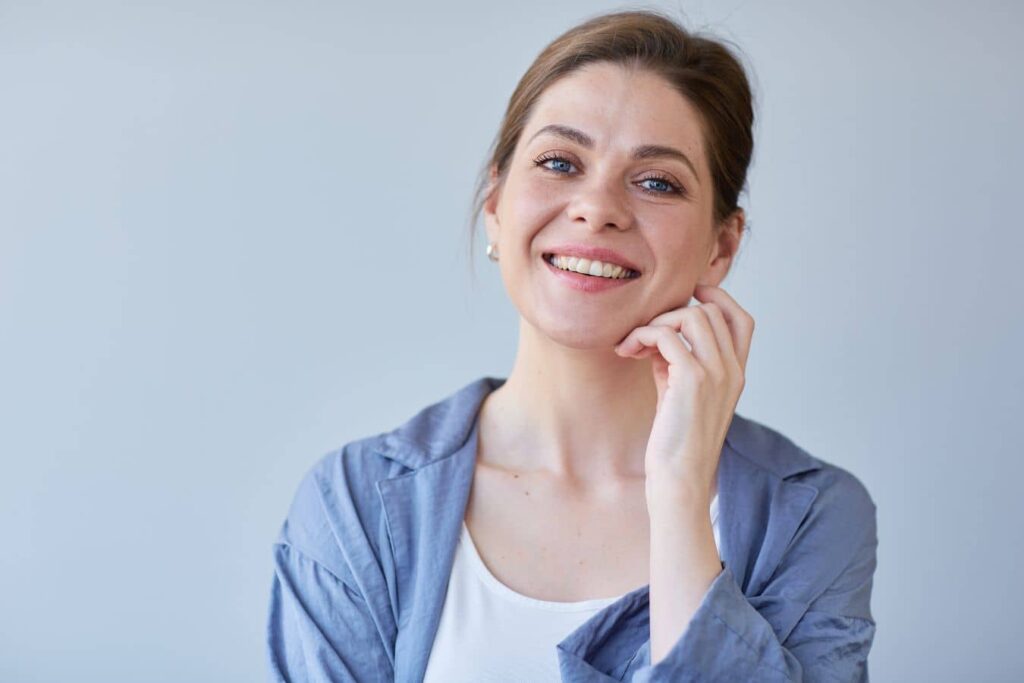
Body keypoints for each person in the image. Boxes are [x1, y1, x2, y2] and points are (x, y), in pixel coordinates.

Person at [265, 9, 878, 682]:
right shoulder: (355, 504)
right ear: (496, 204)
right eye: (560, 162)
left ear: (720, 247)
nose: (597, 206)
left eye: (656, 182)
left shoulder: (812, 515)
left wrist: (678, 495)